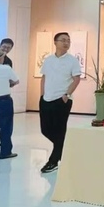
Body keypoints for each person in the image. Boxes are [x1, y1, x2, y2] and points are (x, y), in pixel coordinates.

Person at [39, 32, 82, 174]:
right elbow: (44, 77)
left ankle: (53, 161)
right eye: (63, 40)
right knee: (45, 130)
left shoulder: (72, 61)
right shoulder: (48, 60)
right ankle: (64, 149)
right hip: (46, 98)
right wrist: (42, 95)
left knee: (59, 130)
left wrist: (67, 95)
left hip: (62, 99)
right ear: (55, 42)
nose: (66, 43)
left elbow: (76, 79)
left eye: (68, 41)